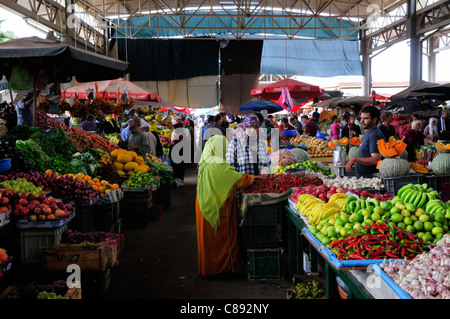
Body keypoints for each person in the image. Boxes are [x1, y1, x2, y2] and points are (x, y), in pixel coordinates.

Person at [196, 135, 257, 277]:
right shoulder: (217, 164)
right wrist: (251, 178)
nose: (224, 151)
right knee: (221, 237)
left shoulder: (205, 160)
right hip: (218, 206)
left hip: (204, 204)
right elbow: (235, 181)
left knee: (208, 240)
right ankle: (223, 268)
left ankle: (208, 268)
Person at [345, 105, 385, 178]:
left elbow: (375, 159)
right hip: (364, 178)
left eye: (365, 118)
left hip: (370, 179)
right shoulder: (369, 132)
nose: (361, 121)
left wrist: (355, 159)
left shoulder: (375, 135)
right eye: (361, 118)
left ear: (374, 120)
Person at [170, 121, 190, 187]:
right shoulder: (183, 133)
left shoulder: (179, 135)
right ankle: (181, 182)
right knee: (181, 168)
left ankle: (178, 182)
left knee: (177, 168)